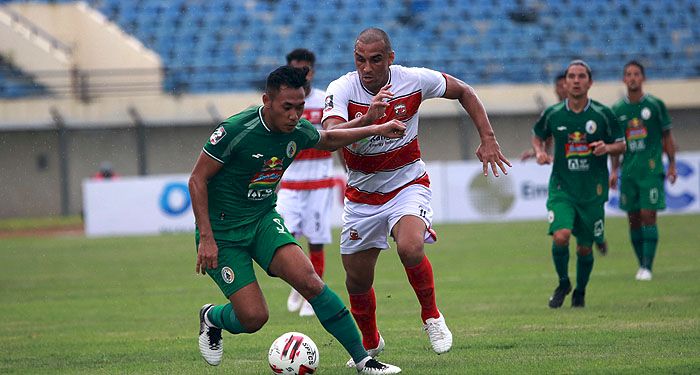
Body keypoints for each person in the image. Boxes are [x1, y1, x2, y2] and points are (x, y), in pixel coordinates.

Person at [189, 65, 403, 374]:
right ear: (268, 101)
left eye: (300, 107)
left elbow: (328, 138)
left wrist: (372, 125)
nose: (294, 115)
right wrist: (207, 237)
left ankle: (364, 361)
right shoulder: (237, 130)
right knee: (254, 317)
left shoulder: (297, 130)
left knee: (310, 282)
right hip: (222, 234)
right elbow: (197, 180)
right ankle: (212, 317)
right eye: (287, 107)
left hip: (262, 221)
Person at [322, 28, 511, 365]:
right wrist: (369, 119)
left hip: (407, 183)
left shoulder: (414, 81)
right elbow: (332, 136)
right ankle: (370, 342)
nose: (367, 67)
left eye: (375, 60)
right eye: (360, 60)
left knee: (410, 246)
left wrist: (489, 137)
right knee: (357, 278)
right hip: (362, 194)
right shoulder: (341, 89)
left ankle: (432, 317)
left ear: (390, 59)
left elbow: (464, 91)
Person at [531, 60, 626, 309]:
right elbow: (538, 135)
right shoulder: (553, 114)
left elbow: (622, 143)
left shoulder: (603, 114)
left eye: (581, 76)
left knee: (585, 248)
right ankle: (563, 283)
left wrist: (608, 147)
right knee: (561, 236)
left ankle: (580, 292)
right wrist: (540, 152)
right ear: (566, 82)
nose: (575, 80)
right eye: (571, 76)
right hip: (562, 188)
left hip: (592, 192)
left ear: (589, 82)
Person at [523, 72, 610, 255]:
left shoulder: (590, 112)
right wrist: (538, 153)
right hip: (567, 173)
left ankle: (597, 236)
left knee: (589, 217)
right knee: (565, 224)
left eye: (566, 84)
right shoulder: (554, 113)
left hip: (589, 174)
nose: (564, 88)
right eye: (560, 85)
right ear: (556, 89)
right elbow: (548, 140)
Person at [277, 48, 335, 317]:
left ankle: (313, 295)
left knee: (317, 239)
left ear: (312, 71)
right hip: (290, 182)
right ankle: (299, 285)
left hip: (320, 183)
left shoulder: (325, 101)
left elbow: (337, 138)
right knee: (284, 239)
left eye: (305, 69)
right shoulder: (283, 103)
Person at [610, 60, 677, 281]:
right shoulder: (617, 110)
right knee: (633, 219)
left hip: (650, 170)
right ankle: (641, 264)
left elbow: (667, 137)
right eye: (628, 74)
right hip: (628, 172)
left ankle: (648, 266)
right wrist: (614, 170)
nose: (632, 78)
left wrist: (672, 165)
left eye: (636, 74)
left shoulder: (656, 105)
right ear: (623, 79)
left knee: (648, 215)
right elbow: (616, 145)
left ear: (643, 78)